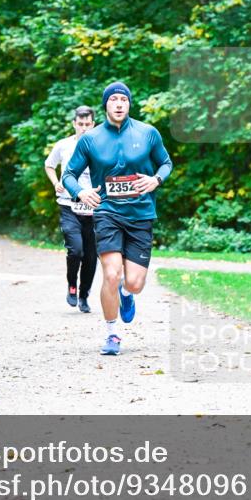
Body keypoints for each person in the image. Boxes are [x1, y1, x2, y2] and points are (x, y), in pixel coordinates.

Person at [62, 81, 172, 355]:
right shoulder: (91, 139)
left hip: (141, 214)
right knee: (111, 274)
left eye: (124, 99)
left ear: (129, 104)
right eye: (114, 99)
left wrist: (156, 180)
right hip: (107, 213)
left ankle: (126, 293)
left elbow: (166, 163)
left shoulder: (148, 133)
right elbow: (68, 175)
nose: (119, 104)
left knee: (133, 282)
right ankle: (112, 334)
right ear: (106, 105)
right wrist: (80, 192)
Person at [45, 106, 99, 313]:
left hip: (93, 208)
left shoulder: (100, 147)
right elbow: (49, 165)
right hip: (69, 205)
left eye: (88, 124)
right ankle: (72, 286)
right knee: (76, 250)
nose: (84, 128)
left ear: (93, 125)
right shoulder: (63, 145)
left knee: (91, 257)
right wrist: (55, 183)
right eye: (80, 124)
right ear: (74, 124)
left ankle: (84, 296)